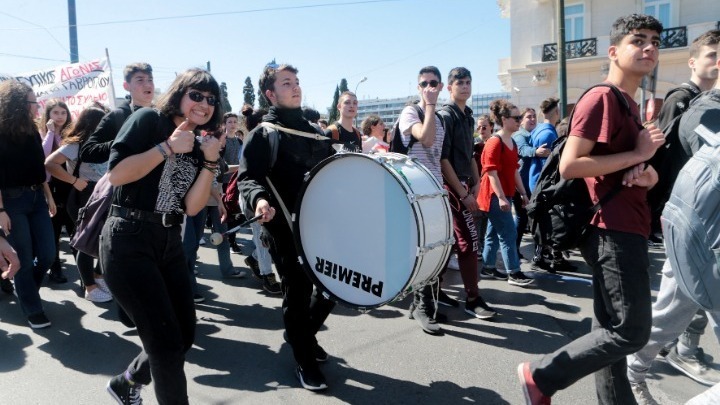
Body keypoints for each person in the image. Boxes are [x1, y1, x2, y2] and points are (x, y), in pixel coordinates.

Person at [518, 14, 666, 405]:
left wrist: (645, 172)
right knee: (630, 331)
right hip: (612, 228)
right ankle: (542, 375)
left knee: (609, 331)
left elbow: (617, 164)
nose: (649, 47)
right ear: (614, 51)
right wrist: (637, 153)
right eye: (639, 40)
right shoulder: (602, 97)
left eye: (654, 40)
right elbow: (571, 164)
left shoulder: (629, 105)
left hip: (626, 222)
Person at [101, 68, 223, 405]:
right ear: (179, 94)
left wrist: (210, 162)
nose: (204, 103)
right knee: (167, 347)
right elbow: (117, 175)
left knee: (182, 336)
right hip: (128, 237)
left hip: (169, 240)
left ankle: (127, 383)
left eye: (211, 99)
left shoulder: (200, 144)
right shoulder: (148, 120)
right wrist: (166, 147)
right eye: (196, 95)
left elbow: (193, 206)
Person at [627, 33, 720, 404]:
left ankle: (642, 363)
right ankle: (636, 366)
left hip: (700, 228)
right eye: (711, 54)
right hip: (692, 227)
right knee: (674, 309)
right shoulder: (693, 104)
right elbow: (663, 157)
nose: (715, 61)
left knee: (675, 309)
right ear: (693, 61)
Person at [237, 64, 336, 391]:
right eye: (286, 83)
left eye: (296, 82)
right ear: (270, 94)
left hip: (319, 224)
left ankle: (300, 335)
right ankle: (304, 359)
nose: (295, 87)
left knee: (332, 287)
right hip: (282, 227)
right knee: (298, 291)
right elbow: (248, 177)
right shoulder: (264, 134)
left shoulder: (315, 131)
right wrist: (259, 200)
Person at [438, 67, 497, 320]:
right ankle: (473, 298)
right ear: (449, 87)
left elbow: (470, 155)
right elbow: (443, 160)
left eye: (468, 82)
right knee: (469, 243)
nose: (465, 86)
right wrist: (463, 193)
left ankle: (433, 290)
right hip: (450, 189)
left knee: (448, 244)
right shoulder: (446, 115)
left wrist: (476, 182)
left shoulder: (468, 116)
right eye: (459, 82)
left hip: (464, 185)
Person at [0, 80, 57, 329]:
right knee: (22, 256)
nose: (38, 107)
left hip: (37, 199)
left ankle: (25, 288)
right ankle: (33, 308)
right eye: (34, 102)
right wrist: (0, 211)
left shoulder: (33, 130)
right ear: (18, 105)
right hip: (11, 201)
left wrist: (49, 197)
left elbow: (40, 170)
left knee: (47, 253)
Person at [45, 106, 112, 303]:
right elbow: (49, 163)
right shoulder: (77, 144)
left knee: (105, 239)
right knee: (85, 240)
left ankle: (99, 276)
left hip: (105, 194)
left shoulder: (104, 143)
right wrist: (74, 181)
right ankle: (89, 287)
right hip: (85, 196)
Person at [477, 100, 534, 287]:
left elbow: (514, 170)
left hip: (505, 194)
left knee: (493, 234)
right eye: (516, 118)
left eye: (519, 117)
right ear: (504, 119)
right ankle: (514, 272)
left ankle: (488, 267)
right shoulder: (495, 142)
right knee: (508, 232)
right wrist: (501, 197)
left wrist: (523, 194)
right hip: (494, 196)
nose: (519, 121)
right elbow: (491, 173)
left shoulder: (511, 142)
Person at [528, 98, 577, 274]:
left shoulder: (539, 129)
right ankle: (542, 258)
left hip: (539, 183)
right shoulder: (549, 133)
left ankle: (549, 257)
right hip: (545, 185)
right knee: (548, 222)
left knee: (545, 222)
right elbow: (550, 165)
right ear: (556, 111)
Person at [80, 62, 154, 164]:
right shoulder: (117, 116)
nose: (148, 84)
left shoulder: (163, 115)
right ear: (126, 86)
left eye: (150, 80)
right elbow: (87, 152)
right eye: (140, 80)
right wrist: (123, 142)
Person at [40, 99, 73, 284]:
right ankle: (55, 269)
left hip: (68, 184)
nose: (60, 116)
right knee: (53, 230)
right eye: (56, 112)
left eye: (63, 112)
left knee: (73, 227)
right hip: (50, 186)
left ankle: (86, 275)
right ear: (48, 115)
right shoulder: (43, 133)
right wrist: (51, 133)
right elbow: (44, 157)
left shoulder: (72, 133)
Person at [511, 108, 548, 258]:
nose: (532, 119)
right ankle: (514, 249)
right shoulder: (520, 135)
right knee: (522, 217)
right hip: (520, 185)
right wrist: (536, 152)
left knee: (525, 218)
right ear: (521, 121)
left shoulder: (533, 134)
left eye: (534, 116)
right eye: (528, 117)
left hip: (526, 185)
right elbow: (523, 149)